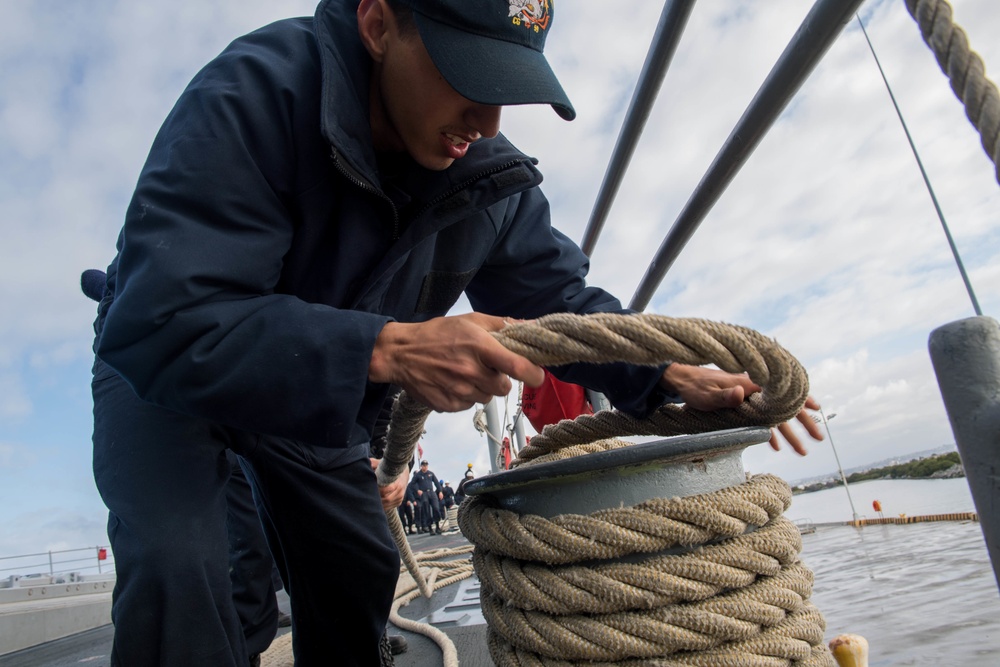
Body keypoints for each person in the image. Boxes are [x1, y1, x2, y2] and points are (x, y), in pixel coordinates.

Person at [89, 1, 822, 665]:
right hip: (168, 365)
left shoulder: (486, 184)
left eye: (507, 85)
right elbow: (166, 317)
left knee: (355, 566)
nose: (490, 119)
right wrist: (391, 348)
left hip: (311, 391)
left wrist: (671, 373)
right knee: (182, 565)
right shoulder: (252, 94)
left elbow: (562, 299)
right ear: (377, 24)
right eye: (467, 74)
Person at [411, 460, 445, 534]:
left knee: (436, 508)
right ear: (421, 466)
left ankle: (437, 526)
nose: (425, 467)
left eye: (426, 465)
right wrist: (417, 490)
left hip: (431, 492)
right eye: (423, 465)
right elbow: (412, 484)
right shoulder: (418, 475)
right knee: (427, 510)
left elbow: (436, 483)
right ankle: (430, 528)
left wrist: (440, 491)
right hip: (424, 493)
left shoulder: (430, 473)